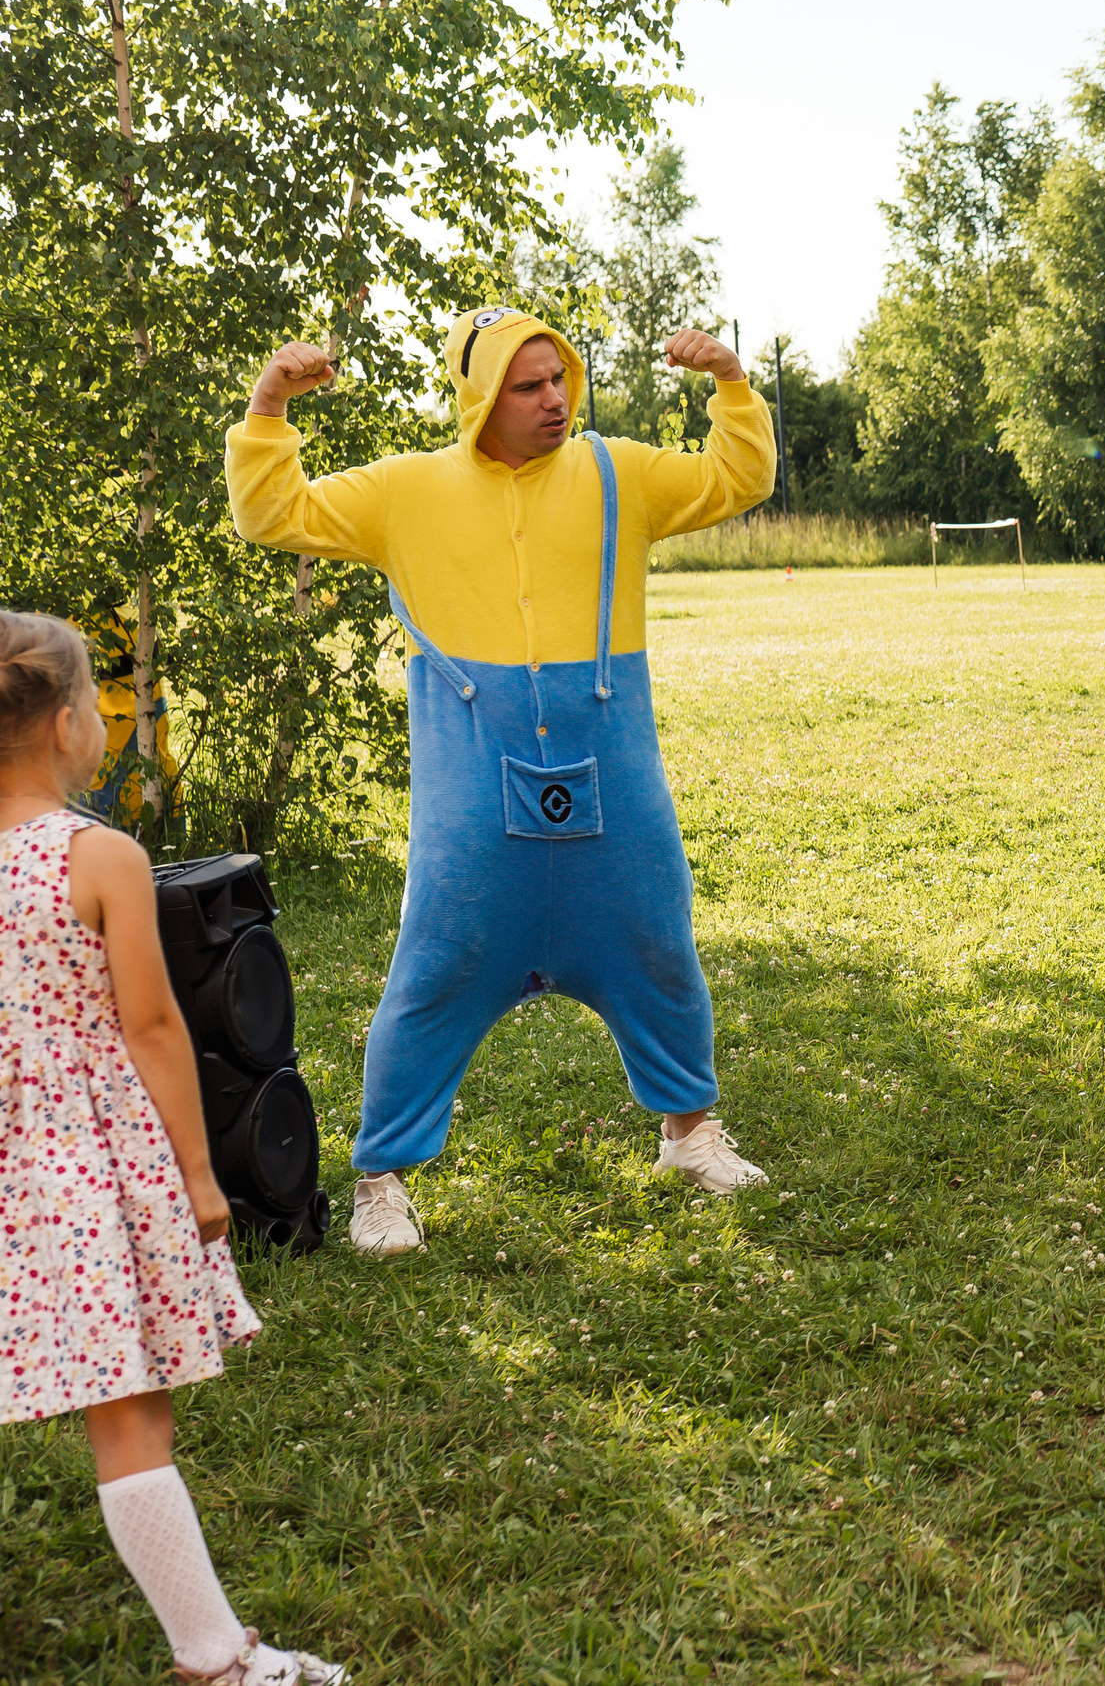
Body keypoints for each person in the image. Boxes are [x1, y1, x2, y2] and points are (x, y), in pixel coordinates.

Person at [226, 312, 776, 1256]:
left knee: (656, 939)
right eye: (529, 386)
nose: (555, 398)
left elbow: (739, 477)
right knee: (434, 966)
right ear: (483, 396)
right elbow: (274, 513)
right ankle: (381, 1182)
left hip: (615, 769)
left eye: (559, 378)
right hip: (471, 787)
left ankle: (689, 1133)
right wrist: (269, 403)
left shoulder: (618, 473)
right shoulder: (407, 489)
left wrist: (731, 381)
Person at [0, 613, 345, 1685]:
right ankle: (214, 1657)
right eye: (93, 704)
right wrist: (199, 1176)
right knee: (131, 1415)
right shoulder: (101, 856)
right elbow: (154, 1027)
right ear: (66, 725)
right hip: (78, 1164)